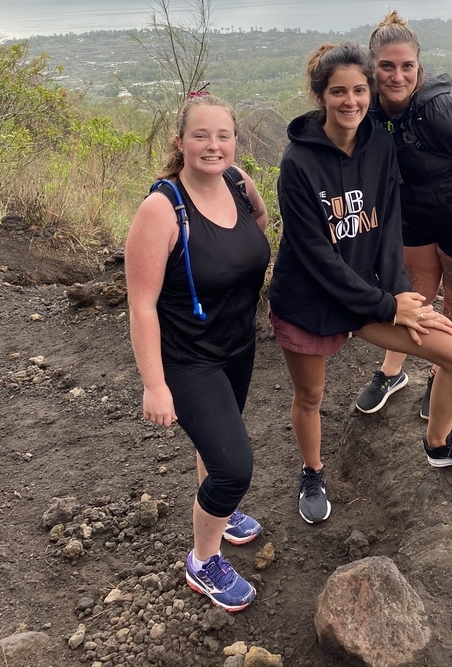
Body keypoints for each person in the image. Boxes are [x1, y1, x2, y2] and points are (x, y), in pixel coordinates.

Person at [268, 42, 452, 526]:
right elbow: (315, 257)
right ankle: (312, 470)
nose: (350, 101)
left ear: (369, 93)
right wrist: (387, 304)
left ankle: (439, 444)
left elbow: (390, 226)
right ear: (321, 96)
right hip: (309, 299)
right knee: (310, 396)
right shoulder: (298, 163)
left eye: (359, 90)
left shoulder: (378, 144)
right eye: (338, 92)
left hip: (368, 298)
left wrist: (398, 291)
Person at [125, 92, 270, 612]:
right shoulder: (161, 209)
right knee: (234, 468)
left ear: (234, 141)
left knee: (216, 448)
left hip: (237, 347)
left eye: (223, 135)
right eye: (201, 135)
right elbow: (141, 305)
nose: (213, 145)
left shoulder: (237, 183)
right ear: (181, 141)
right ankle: (202, 560)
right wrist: (155, 384)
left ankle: (221, 515)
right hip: (188, 360)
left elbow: (259, 224)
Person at [354, 11, 452, 420]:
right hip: (415, 216)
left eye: (407, 66)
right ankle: (392, 372)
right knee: (415, 297)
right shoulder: (366, 106)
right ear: (373, 68)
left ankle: (442, 374)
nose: (397, 76)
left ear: (418, 67)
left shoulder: (438, 110)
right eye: (387, 66)